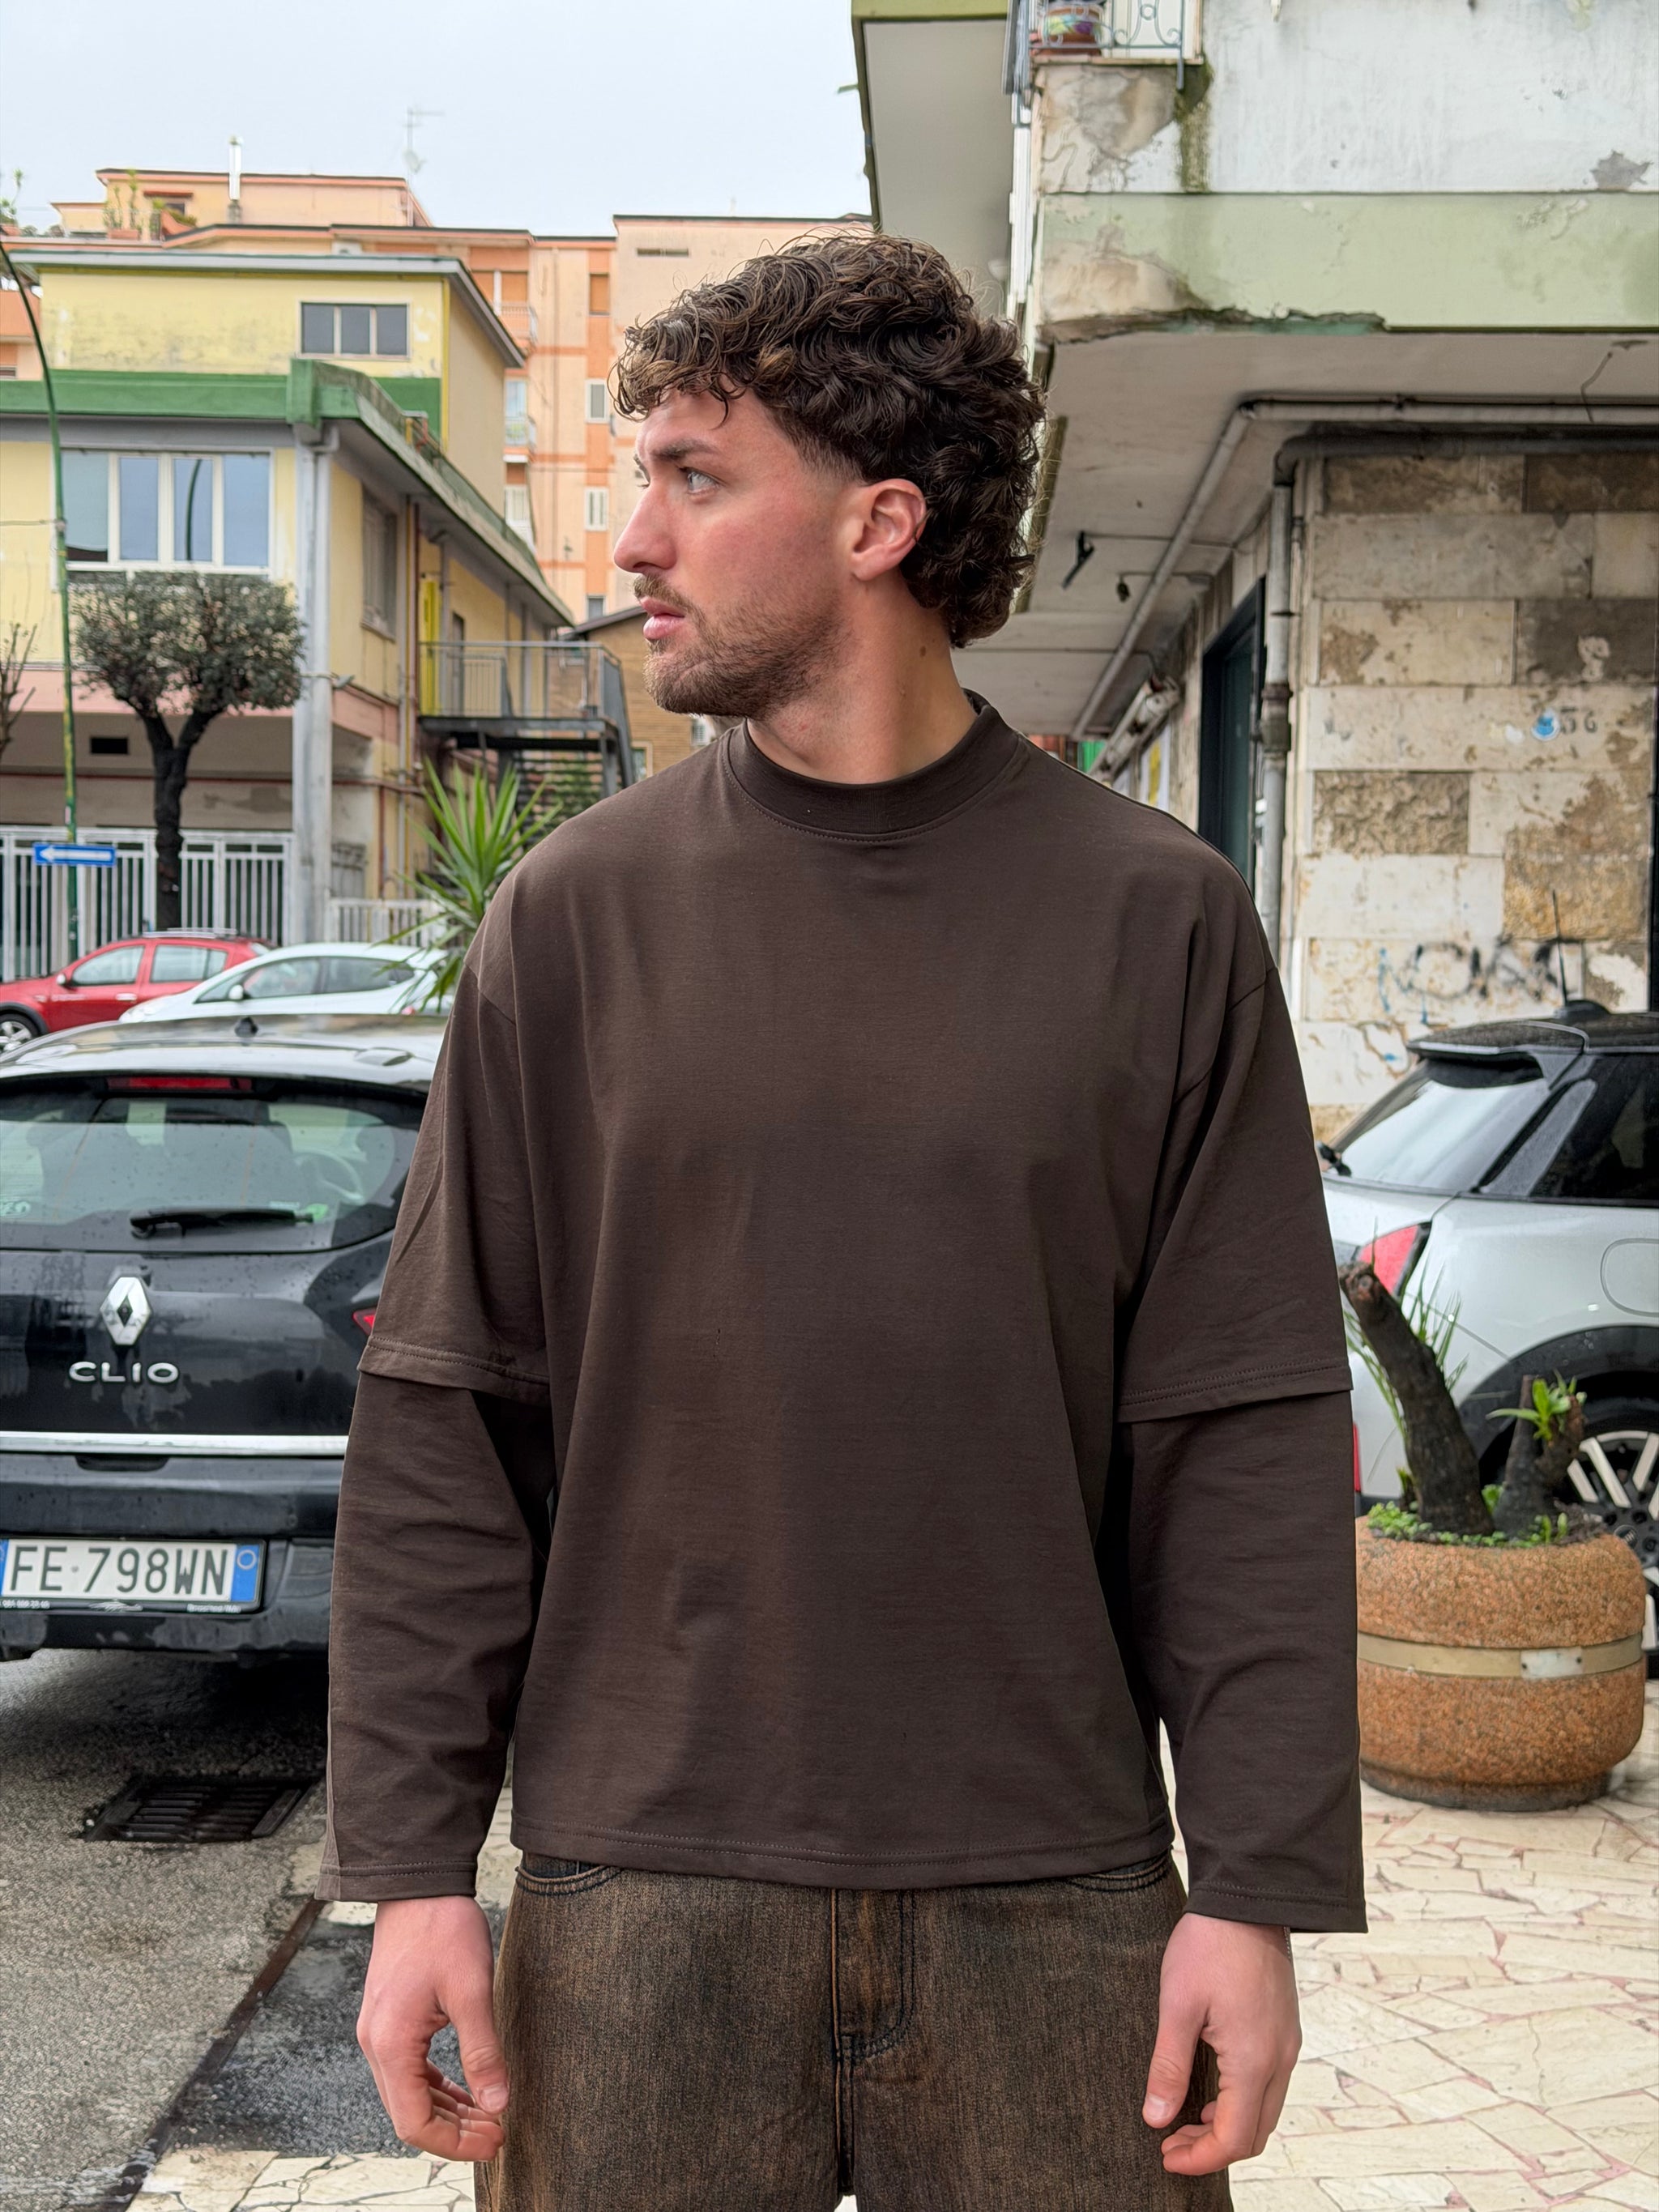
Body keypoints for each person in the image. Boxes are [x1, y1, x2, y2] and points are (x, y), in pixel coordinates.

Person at [322, 232, 1365, 2210]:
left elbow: (1234, 1428)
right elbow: (452, 1411)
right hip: (637, 1899)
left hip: (1057, 1898)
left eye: (694, 478)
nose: (633, 540)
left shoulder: (1158, 924)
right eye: (641, 476)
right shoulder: (572, 921)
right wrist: (411, 1870)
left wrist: (1253, 1888)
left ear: (879, 522)